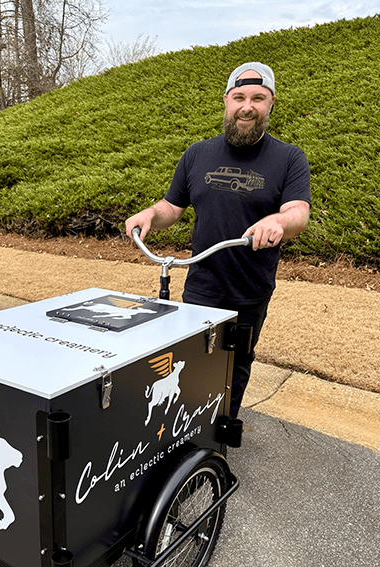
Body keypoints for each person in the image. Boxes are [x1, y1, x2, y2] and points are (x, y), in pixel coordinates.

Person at [125, 61, 311, 418]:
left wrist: (278, 220)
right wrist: (149, 215)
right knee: (191, 362)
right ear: (226, 101)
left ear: (270, 104)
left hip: (250, 288)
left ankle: (220, 439)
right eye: (239, 96)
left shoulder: (289, 158)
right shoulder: (198, 154)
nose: (247, 106)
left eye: (258, 98)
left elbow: (298, 212)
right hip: (202, 285)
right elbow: (172, 206)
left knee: (235, 365)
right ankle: (187, 431)